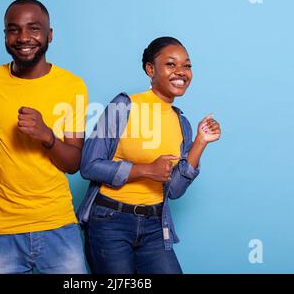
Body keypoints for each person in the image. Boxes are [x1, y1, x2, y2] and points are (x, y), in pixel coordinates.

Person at [0, 0, 88, 274]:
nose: (24, 37)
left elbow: (74, 163)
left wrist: (47, 135)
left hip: (58, 225)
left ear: (49, 35)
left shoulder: (72, 86)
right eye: (13, 29)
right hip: (3, 229)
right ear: (5, 35)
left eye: (34, 28)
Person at [77, 37, 221, 274]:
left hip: (156, 225)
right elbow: (89, 165)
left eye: (187, 66)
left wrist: (200, 142)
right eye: (171, 64)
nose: (181, 72)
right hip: (110, 221)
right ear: (150, 69)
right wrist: (144, 170)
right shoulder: (123, 106)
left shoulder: (181, 122)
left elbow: (173, 190)